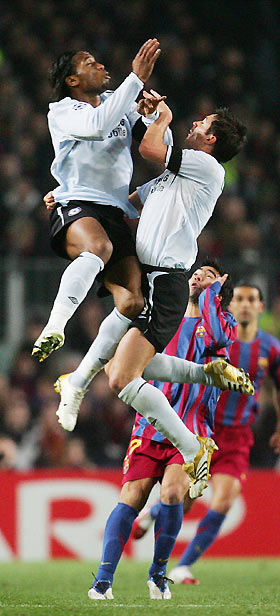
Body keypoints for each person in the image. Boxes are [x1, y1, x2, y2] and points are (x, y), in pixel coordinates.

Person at [55, 97, 252, 493]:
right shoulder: (171, 179)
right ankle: (80, 381)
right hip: (148, 277)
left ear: (210, 138)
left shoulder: (206, 166)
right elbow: (126, 206)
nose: (195, 123)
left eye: (203, 122)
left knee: (122, 377)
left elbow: (149, 148)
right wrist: (68, 199)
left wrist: (160, 117)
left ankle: (193, 448)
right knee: (117, 358)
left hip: (167, 282)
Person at [87, 259, 238, 600]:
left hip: (193, 430)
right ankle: (103, 580)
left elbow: (216, 338)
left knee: (172, 495)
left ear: (219, 290)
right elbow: (120, 359)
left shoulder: (222, 324)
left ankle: (158, 575)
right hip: (150, 428)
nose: (200, 274)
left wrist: (212, 294)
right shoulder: (159, 320)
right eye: (198, 271)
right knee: (132, 497)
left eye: (211, 275)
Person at [135, 282, 280, 585]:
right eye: (238, 298)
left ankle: (183, 567)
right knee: (183, 501)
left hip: (238, 436)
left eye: (250, 299)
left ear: (259, 307)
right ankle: (155, 510)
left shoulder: (271, 347)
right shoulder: (218, 337)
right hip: (202, 428)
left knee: (224, 500)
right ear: (229, 305)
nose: (243, 304)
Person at [32, 39, 166, 364]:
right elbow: (96, 126)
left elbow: (151, 141)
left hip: (115, 212)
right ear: (72, 80)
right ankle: (55, 325)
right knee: (98, 248)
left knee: (134, 301)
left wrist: (150, 118)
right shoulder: (63, 111)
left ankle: (85, 372)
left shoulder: (115, 104)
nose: (101, 65)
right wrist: (134, 79)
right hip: (76, 204)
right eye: (89, 62)